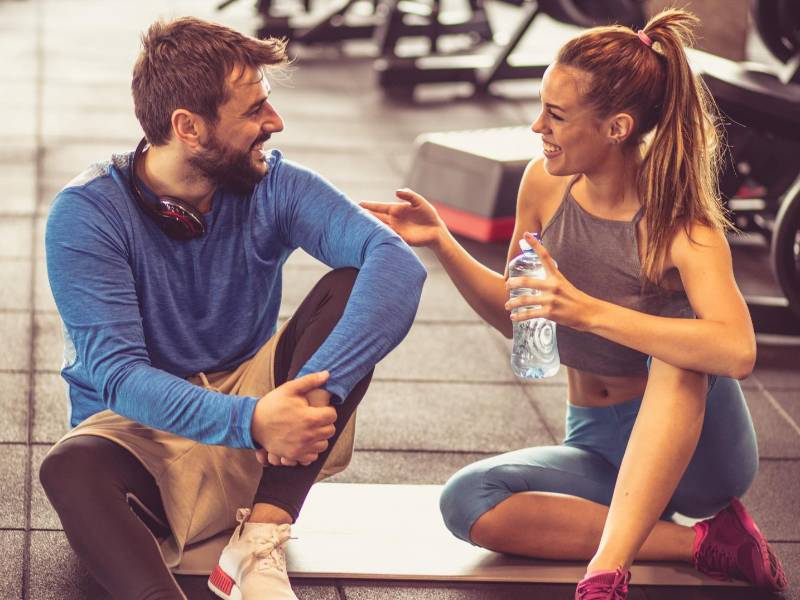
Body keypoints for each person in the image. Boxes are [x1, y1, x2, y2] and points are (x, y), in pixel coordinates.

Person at [361, 9, 787, 599]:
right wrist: (442, 243)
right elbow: (522, 315)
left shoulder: (681, 224)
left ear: (615, 127)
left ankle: (606, 571)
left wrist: (585, 310)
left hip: (699, 459)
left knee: (680, 340)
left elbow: (737, 350)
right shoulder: (543, 183)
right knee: (467, 501)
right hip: (597, 441)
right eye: (542, 108)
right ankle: (704, 544)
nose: (538, 126)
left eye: (557, 116)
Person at [40, 16, 426, 600]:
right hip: (146, 433)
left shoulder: (275, 183)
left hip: (267, 425)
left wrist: (281, 414)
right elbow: (116, 375)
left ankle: (262, 536)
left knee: (354, 285)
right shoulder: (87, 214)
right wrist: (251, 423)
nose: (275, 122)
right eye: (253, 112)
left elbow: (397, 264)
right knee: (69, 469)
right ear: (188, 127)